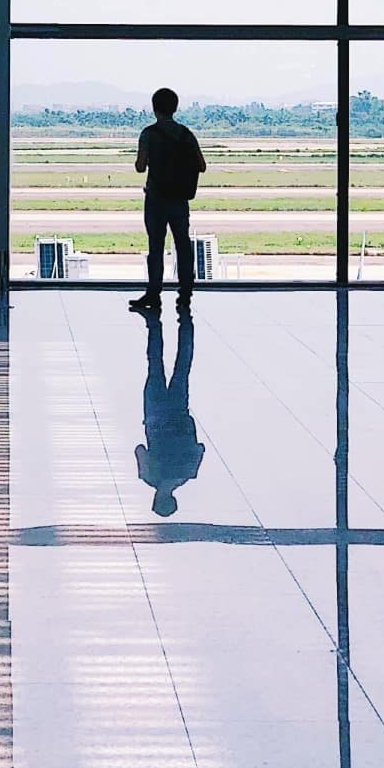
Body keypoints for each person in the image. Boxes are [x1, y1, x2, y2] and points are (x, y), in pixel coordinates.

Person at [129, 86, 206, 313]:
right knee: (182, 246)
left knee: (156, 247)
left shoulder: (149, 134)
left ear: (154, 109)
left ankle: (154, 293)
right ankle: (185, 295)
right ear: (175, 107)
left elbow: (140, 167)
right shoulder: (186, 134)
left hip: (156, 200)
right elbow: (202, 165)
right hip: (180, 200)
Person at [134, 304, 202, 517]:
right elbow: (139, 449)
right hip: (155, 415)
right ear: (156, 498)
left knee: (183, 366)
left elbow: (199, 448)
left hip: (178, 412)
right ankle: (153, 321)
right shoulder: (149, 476)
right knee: (155, 364)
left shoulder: (188, 474)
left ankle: (185, 321)